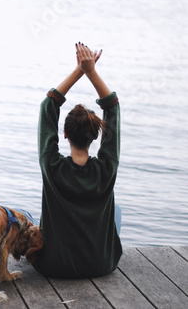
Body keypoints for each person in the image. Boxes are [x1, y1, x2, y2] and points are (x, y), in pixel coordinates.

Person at [31, 42, 122, 278]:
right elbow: (112, 108)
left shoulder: (51, 166)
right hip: (101, 265)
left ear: (65, 134)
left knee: (27, 216)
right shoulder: (107, 169)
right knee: (117, 211)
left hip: (53, 266)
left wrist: (79, 70)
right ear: (96, 136)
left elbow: (48, 105)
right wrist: (92, 72)